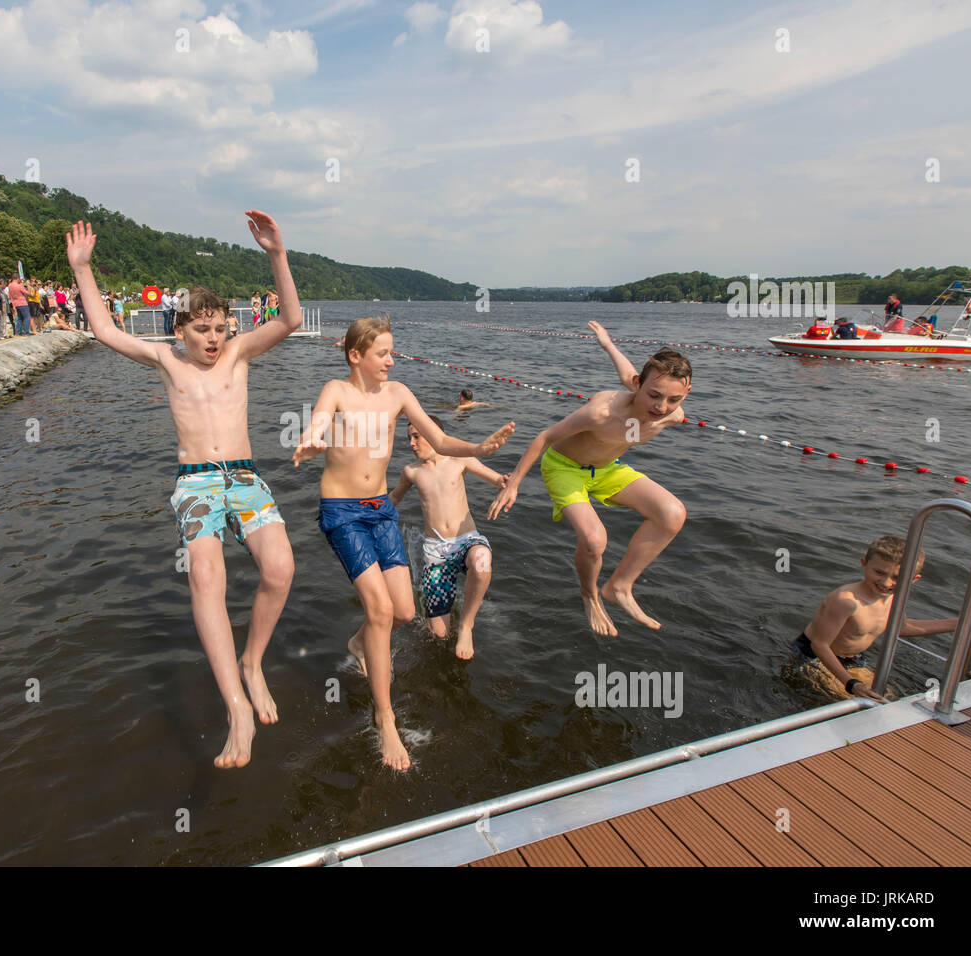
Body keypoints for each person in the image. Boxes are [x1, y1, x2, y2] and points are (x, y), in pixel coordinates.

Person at [67, 211, 302, 769]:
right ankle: (236, 709)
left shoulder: (241, 353)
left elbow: (291, 318)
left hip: (244, 477)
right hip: (195, 483)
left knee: (281, 569)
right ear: (181, 330)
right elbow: (104, 330)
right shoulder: (165, 359)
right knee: (205, 577)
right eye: (202, 330)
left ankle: (252, 662)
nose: (213, 339)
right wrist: (82, 269)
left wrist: (277, 254)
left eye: (220, 328)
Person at [293, 316, 514, 769]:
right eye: (383, 354)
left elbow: (440, 439)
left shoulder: (398, 394)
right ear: (356, 356)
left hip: (380, 510)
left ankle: (359, 645)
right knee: (379, 611)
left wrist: (481, 450)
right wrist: (313, 441)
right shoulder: (337, 390)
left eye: (392, 352)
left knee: (405, 612)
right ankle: (385, 716)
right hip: (343, 513)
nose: (391, 361)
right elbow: (317, 424)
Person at [489, 320, 689, 637]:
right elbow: (545, 437)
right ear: (638, 386)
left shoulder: (671, 415)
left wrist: (608, 343)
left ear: (686, 393)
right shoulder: (601, 413)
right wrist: (514, 483)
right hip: (564, 467)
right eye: (654, 395)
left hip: (607, 468)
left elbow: (626, 371)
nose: (661, 407)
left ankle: (620, 587)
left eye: (673, 399)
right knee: (595, 541)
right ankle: (590, 594)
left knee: (673, 513)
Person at [794, 535, 971, 701]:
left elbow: (903, 628)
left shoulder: (893, 599)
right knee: (860, 702)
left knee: (888, 698)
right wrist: (851, 684)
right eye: (879, 572)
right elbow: (819, 645)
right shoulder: (846, 601)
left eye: (897, 577)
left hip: (854, 658)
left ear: (913, 579)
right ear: (864, 564)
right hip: (814, 656)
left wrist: (964, 622)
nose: (886, 583)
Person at [390, 416, 505, 659]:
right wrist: (364, 511)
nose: (411, 443)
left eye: (416, 437)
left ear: (433, 435)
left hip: (466, 541)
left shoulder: (458, 461)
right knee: (439, 636)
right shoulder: (411, 472)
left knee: (482, 560)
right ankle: (445, 615)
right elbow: (394, 499)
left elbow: (496, 478)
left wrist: (506, 485)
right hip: (435, 553)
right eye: (408, 438)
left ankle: (467, 625)